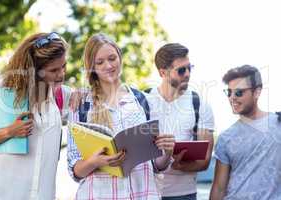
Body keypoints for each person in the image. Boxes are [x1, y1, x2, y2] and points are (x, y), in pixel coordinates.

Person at [67, 33, 175, 200]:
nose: (108, 65)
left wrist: (167, 152)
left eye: (112, 58)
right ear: (91, 67)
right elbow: (74, 170)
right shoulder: (81, 105)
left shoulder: (144, 101)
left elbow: (157, 165)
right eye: (100, 62)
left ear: (120, 57)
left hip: (143, 194)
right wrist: (95, 162)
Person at [0, 32, 71, 200]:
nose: (61, 74)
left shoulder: (61, 96)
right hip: (0, 194)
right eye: (53, 70)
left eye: (63, 66)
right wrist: (8, 131)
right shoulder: (3, 91)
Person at [146, 43, 214, 200]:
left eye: (190, 67)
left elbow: (204, 162)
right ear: (163, 72)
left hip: (184, 195)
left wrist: (180, 164)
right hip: (147, 193)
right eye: (181, 70)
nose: (188, 73)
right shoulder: (143, 101)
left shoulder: (200, 105)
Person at [210, 65, 281, 200]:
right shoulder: (226, 137)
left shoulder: (278, 124)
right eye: (229, 92)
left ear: (257, 92)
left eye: (238, 92)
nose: (232, 98)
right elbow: (219, 188)